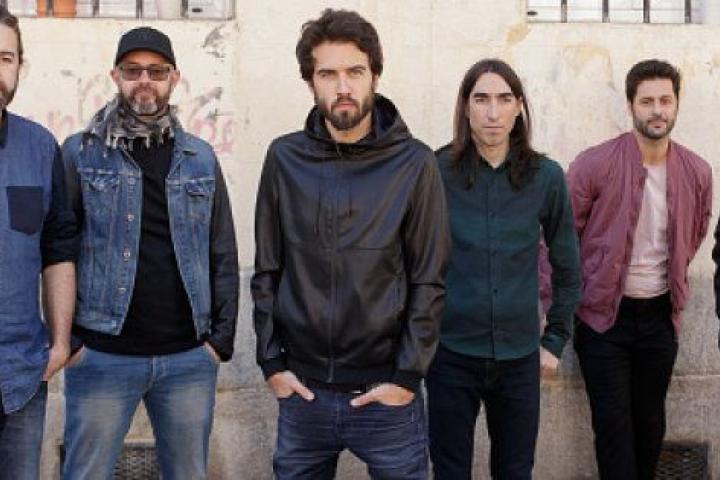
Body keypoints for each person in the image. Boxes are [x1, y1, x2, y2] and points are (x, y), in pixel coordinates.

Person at [252, 8, 449, 479]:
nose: (343, 86)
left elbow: (429, 277)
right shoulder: (284, 158)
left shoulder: (414, 163)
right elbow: (268, 269)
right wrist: (272, 363)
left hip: (386, 397)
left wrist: (406, 377)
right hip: (303, 394)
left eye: (355, 72)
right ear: (310, 82)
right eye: (328, 74)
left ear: (375, 76)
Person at [61, 26, 239, 480]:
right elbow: (58, 247)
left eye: (156, 72)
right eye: (133, 70)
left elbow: (222, 249)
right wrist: (69, 343)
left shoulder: (200, 158)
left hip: (188, 359)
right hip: (101, 354)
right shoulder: (80, 153)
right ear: (115, 76)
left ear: (174, 78)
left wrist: (219, 341)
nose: (145, 80)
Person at [427, 58, 581, 480]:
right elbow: (410, 260)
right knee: (449, 471)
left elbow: (568, 266)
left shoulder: (546, 177)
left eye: (504, 99)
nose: (493, 112)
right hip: (451, 354)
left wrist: (555, 340)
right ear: (466, 107)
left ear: (518, 108)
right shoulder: (436, 171)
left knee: (515, 471)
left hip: (519, 358)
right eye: (481, 99)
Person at [569, 59, 712, 480]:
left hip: (659, 317)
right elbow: (562, 236)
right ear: (630, 105)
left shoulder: (697, 171)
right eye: (647, 101)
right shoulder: (594, 164)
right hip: (602, 319)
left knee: (650, 428)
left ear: (677, 104)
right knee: (613, 430)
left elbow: (695, 232)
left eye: (665, 100)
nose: (657, 110)